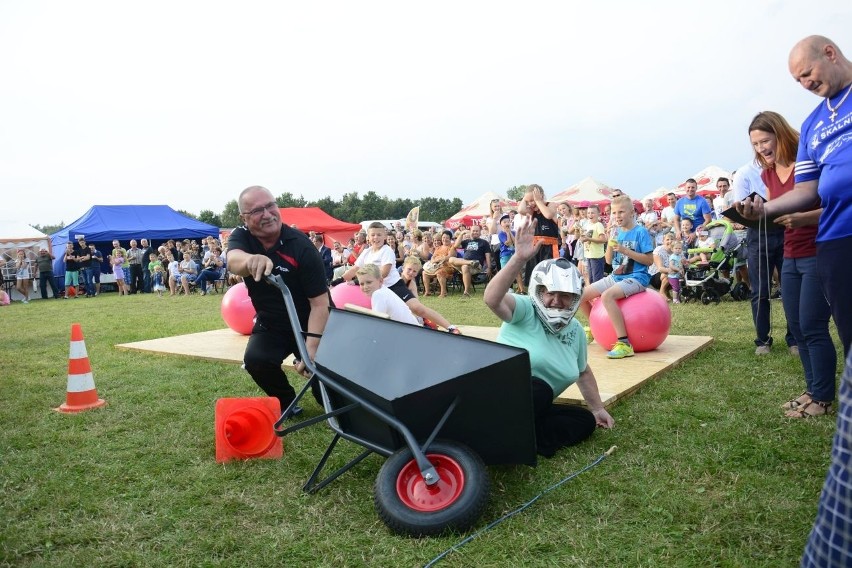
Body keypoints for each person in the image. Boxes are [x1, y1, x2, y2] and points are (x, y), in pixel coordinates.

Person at [484, 218, 614, 457]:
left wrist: (597, 409)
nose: (556, 301)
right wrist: (519, 258)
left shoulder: (574, 329)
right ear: (538, 291)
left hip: (533, 408)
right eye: (550, 293)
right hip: (500, 396)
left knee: (583, 421)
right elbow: (492, 299)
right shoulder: (526, 309)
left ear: (575, 298)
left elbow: (582, 371)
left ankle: (523, 442)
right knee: (540, 389)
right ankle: (496, 433)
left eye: (565, 295)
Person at [745, 111, 837, 418]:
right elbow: (773, 213)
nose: (760, 148)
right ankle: (812, 390)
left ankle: (823, 399)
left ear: (780, 134)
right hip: (790, 254)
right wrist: (752, 213)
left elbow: (834, 207)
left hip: (817, 252)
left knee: (812, 325)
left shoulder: (808, 165)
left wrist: (802, 218)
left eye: (764, 140)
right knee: (797, 327)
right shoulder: (769, 173)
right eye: (755, 144)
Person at [227, 185, 330, 413]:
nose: (267, 214)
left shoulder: (301, 246)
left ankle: (324, 387)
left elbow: (320, 303)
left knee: (329, 400)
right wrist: (250, 260)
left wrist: (311, 348)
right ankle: (286, 403)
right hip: (271, 323)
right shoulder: (241, 236)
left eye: (270, 205)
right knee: (256, 360)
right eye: (256, 211)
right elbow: (233, 259)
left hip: (309, 324)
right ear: (244, 217)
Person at [579, 195, 654, 359]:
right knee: (580, 295)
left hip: (637, 278)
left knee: (607, 296)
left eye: (621, 212)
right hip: (616, 276)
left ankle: (624, 344)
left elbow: (649, 260)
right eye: (614, 213)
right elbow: (608, 261)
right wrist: (610, 244)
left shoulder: (641, 232)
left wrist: (625, 250)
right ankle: (594, 327)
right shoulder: (617, 232)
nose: (617, 216)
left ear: (632, 212)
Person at [518, 184, 560, 287]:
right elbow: (520, 210)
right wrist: (526, 198)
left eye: (533, 200)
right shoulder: (533, 211)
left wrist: (538, 201)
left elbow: (548, 215)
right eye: (528, 201)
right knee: (534, 274)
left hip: (549, 247)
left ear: (540, 196)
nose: (531, 204)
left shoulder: (551, 205)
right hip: (535, 247)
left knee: (549, 275)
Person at [355, 264, 419, 325]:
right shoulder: (384, 290)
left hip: (409, 332)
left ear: (381, 281)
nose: (365, 287)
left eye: (369, 282)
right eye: (361, 284)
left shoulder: (378, 294)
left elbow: (376, 322)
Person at [452, 224, 492, 297]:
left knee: (464, 267)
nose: (475, 232)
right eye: (473, 231)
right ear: (470, 232)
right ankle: (470, 262)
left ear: (480, 232)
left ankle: (466, 292)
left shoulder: (484, 242)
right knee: (451, 259)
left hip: (477, 265)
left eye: (477, 231)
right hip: (466, 262)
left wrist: (489, 267)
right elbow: (456, 246)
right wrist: (461, 234)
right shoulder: (466, 241)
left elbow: (487, 255)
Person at [673, 179, 712, 245]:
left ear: (696, 188)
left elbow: (708, 220)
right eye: (688, 187)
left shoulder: (702, 201)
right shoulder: (679, 202)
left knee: (700, 253)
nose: (690, 189)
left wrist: (695, 233)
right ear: (685, 188)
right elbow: (676, 219)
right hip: (685, 233)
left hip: (701, 233)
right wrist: (678, 231)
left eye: (693, 187)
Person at [579, 205, 607, 283]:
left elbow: (603, 239)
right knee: (591, 280)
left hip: (597, 256)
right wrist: (583, 239)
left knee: (597, 281)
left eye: (593, 213)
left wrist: (588, 239)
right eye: (589, 213)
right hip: (589, 255)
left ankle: (597, 295)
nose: (590, 215)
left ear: (598, 214)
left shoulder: (598, 225)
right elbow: (586, 238)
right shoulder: (588, 225)